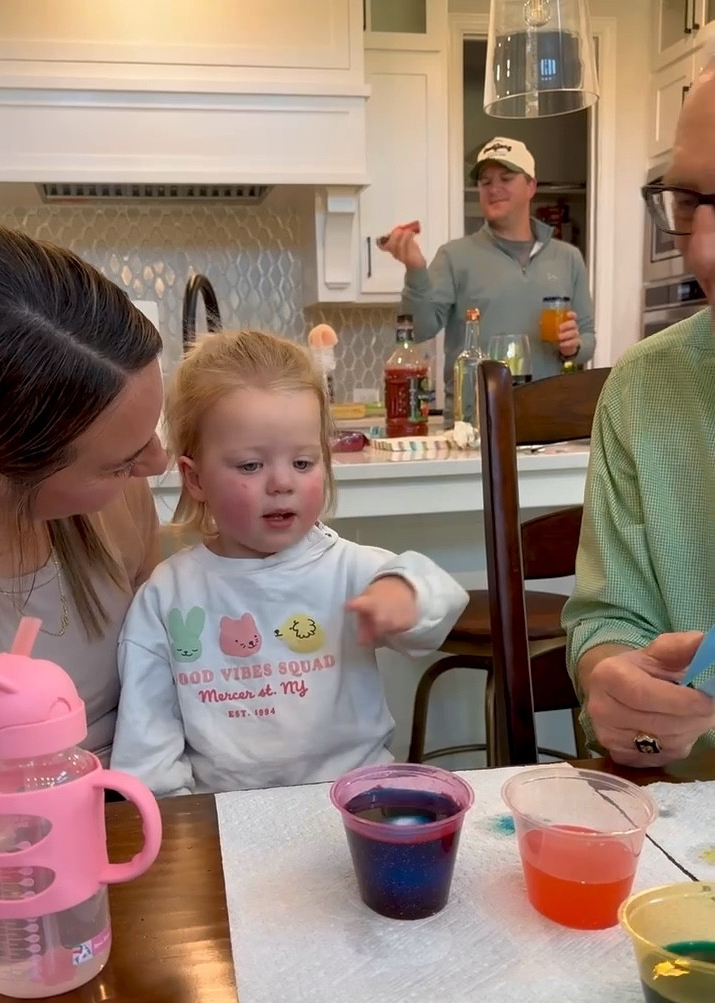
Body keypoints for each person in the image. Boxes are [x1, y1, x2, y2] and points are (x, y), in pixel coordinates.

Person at [110, 330, 468, 795]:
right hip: (225, 816)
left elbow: (441, 594)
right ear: (194, 478)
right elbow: (147, 748)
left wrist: (406, 595)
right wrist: (178, 828)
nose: (282, 483)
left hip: (357, 801)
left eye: (302, 463)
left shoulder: (350, 570)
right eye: (250, 467)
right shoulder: (166, 596)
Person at [562, 57, 715, 767]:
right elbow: (610, 616)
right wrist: (618, 688)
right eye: (688, 202)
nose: (702, 252)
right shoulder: (646, 387)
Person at [0, 225, 167, 763]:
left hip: (142, 793)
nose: (157, 463)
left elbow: (163, 667)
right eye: (119, 464)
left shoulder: (123, 504)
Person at [379, 137, 596, 418]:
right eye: (485, 182)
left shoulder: (567, 258)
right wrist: (415, 270)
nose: (494, 189)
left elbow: (588, 338)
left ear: (530, 186)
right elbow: (418, 330)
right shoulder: (454, 256)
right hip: (472, 428)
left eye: (505, 178)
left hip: (546, 423)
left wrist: (574, 347)